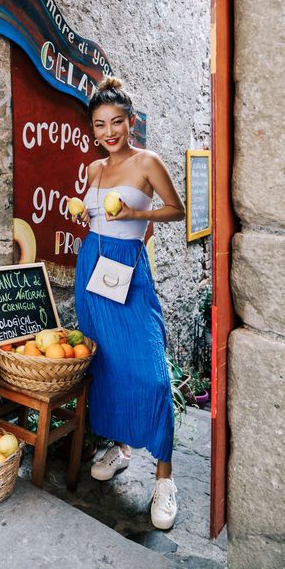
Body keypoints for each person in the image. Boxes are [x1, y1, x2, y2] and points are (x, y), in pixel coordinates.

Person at [72, 76, 185, 530]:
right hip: (92, 268)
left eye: (116, 121)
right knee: (106, 367)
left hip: (130, 274)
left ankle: (164, 478)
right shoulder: (95, 170)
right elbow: (91, 213)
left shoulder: (147, 162)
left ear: (130, 121)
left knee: (153, 375)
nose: (108, 132)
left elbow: (176, 210)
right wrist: (80, 210)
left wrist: (137, 213)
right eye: (99, 125)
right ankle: (118, 448)